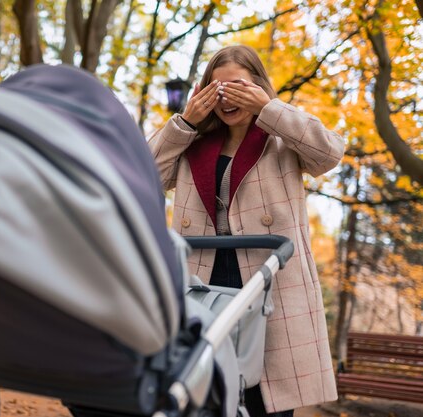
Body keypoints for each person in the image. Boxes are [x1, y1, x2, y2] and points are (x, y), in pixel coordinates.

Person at [148, 45, 345, 417]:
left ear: (258, 86)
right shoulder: (193, 144)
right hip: (203, 274)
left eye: (237, 86)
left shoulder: (281, 137)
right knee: (204, 387)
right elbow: (145, 174)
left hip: (266, 277)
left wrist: (269, 108)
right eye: (217, 89)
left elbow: (329, 153)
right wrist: (185, 122)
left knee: (264, 396)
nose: (227, 97)